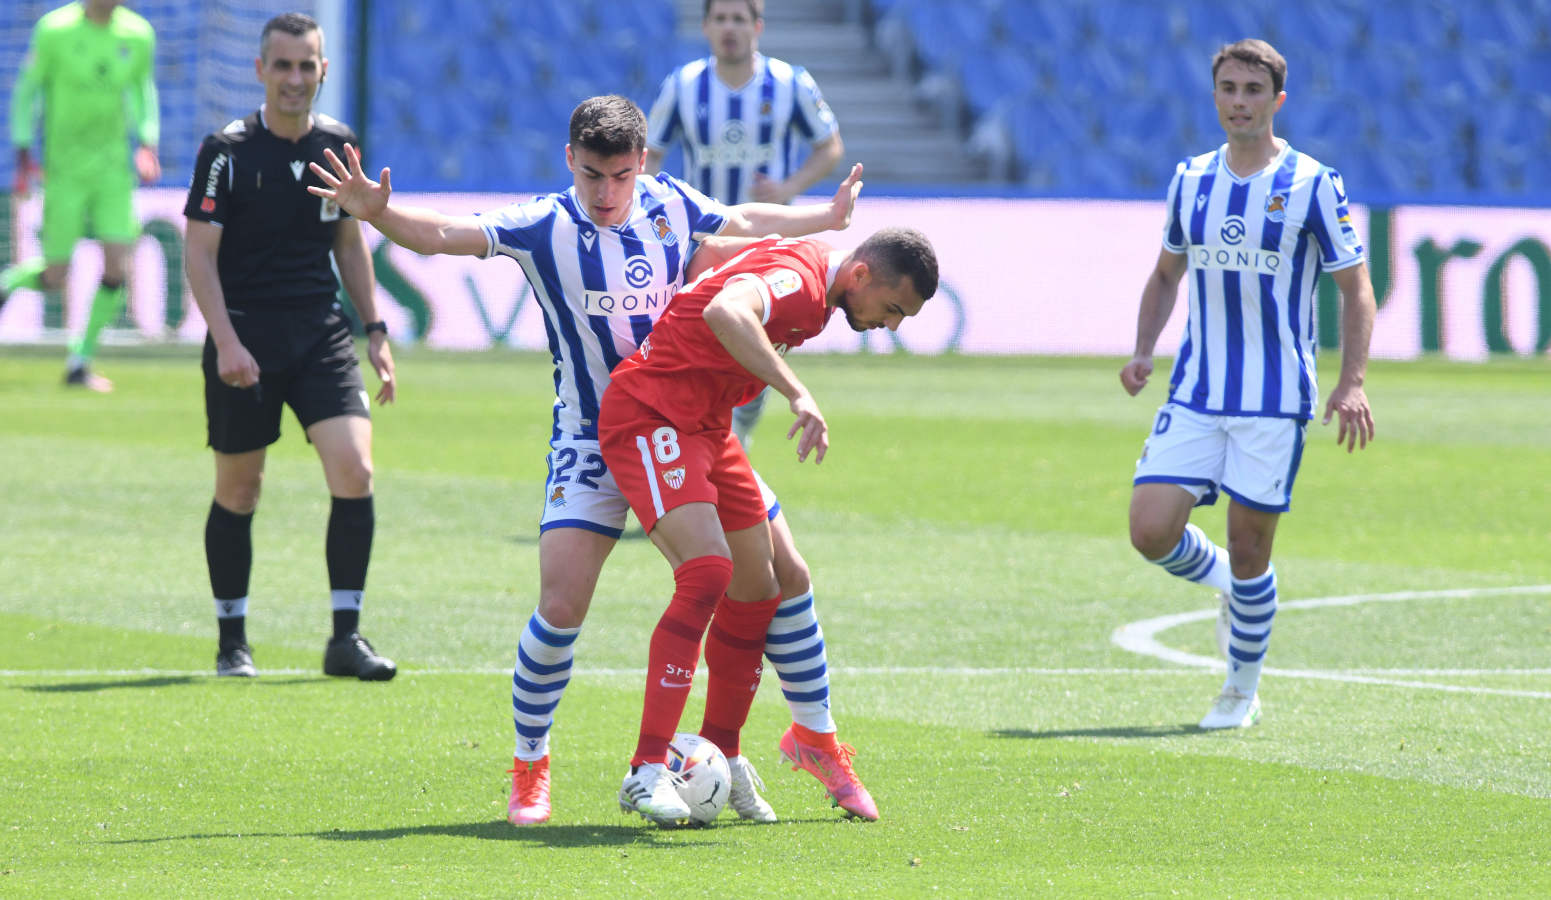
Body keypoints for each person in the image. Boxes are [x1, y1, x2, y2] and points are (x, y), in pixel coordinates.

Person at [306, 94, 878, 825]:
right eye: (590, 177)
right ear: (569, 162)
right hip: (592, 436)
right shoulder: (545, 224)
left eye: (619, 177)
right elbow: (445, 233)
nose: (606, 195)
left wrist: (823, 220)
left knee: (781, 572)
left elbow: (740, 221)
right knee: (562, 604)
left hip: (685, 426)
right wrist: (377, 212)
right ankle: (530, 762)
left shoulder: (668, 204)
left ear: (642, 164)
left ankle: (809, 739)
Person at [598, 227, 936, 826]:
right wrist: (797, 392)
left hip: (708, 425)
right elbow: (729, 309)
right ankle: (646, 768)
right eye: (891, 309)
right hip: (654, 413)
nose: (889, 325)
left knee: (761, 585)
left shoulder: (819, 290)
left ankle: (720, 755)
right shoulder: (804, 283)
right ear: (860, 275)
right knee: (706, 572)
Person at [1119, 39, 1376, 730]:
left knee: (1250, 546)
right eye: (1228, 89)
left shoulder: (1312, 183)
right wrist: (1143, 351)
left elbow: (1355, 289)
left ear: (1276, 100)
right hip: (1196, 390)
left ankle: (1238, 689)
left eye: (1252, 91)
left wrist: (1350, 383)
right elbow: (1166, 272)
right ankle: (1226, 588)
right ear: (1215, 97)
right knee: (1148, 530)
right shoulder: (1189, 178)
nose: (1239, 101)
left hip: (1273, 398)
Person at [183, 12, 398, 681]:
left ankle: (344, 638)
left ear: (323, 71)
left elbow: (348, 239)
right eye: (283, 66)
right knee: (240, 491)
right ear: (260, 71)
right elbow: (198, 252)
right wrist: (226, 343)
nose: (295, 79)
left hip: (319, 334)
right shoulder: (227, 150)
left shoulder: (338, 145)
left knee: (355, 472)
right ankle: (231, 641)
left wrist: (376, 330)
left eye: (307, 66)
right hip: (245, 337)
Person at [645, 0, 844, 448]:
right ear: (706, 27)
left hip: (768, 243)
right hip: (702, 241)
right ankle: (700, 440)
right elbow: (650, 152)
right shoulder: (682, 86)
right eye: (720, 19)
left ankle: (733, 437)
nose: (729, 28)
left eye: (738, 19)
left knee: (758, 335)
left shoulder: (790, 83)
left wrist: (788, 185)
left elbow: (830, 146)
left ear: (757, 27)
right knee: (692, 338)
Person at [1, 0, 160, 392]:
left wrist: (147, 142)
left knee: (117, 264)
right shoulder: (54, 29)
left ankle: (79, 360)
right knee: (55, 275)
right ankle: (6, 283)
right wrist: (23, 146)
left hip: (112, 171)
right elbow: (28, 90)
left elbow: (144, 91)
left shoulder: (138, 34)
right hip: (65, 171)